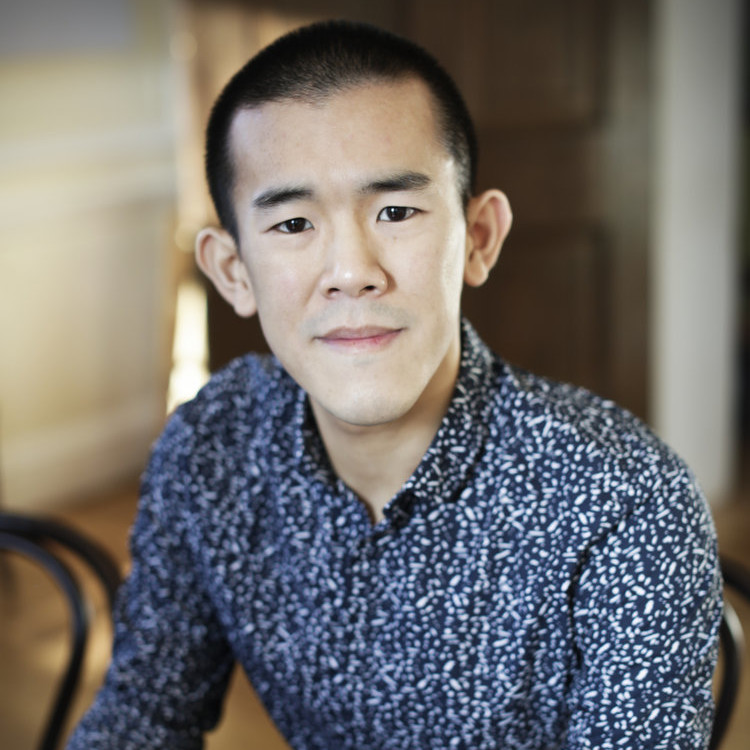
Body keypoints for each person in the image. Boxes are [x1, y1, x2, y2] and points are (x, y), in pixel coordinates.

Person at [68, 20, 722, 750]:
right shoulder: (211, 447)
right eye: (293, 224)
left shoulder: (623, 500)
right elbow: (144, 714)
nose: (352, 271)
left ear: (478, 238)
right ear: (233, 270)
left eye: (397, 211)